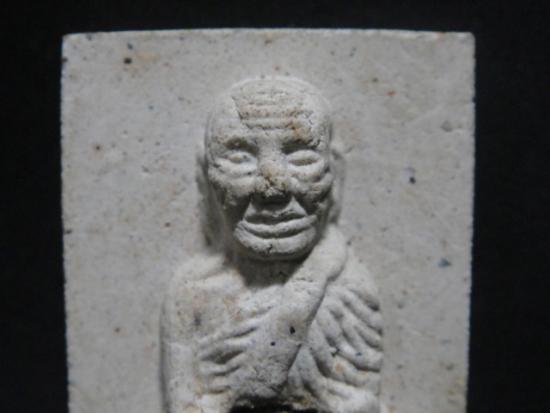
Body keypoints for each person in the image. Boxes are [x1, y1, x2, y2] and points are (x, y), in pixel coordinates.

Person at [162, 77, 383, 413]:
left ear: (335, 171)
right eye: (240, 157)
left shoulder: (350, 292)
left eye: (302, 156)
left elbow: (362, 400)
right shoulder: (194, 292)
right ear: (206, 175)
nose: (273, 187)